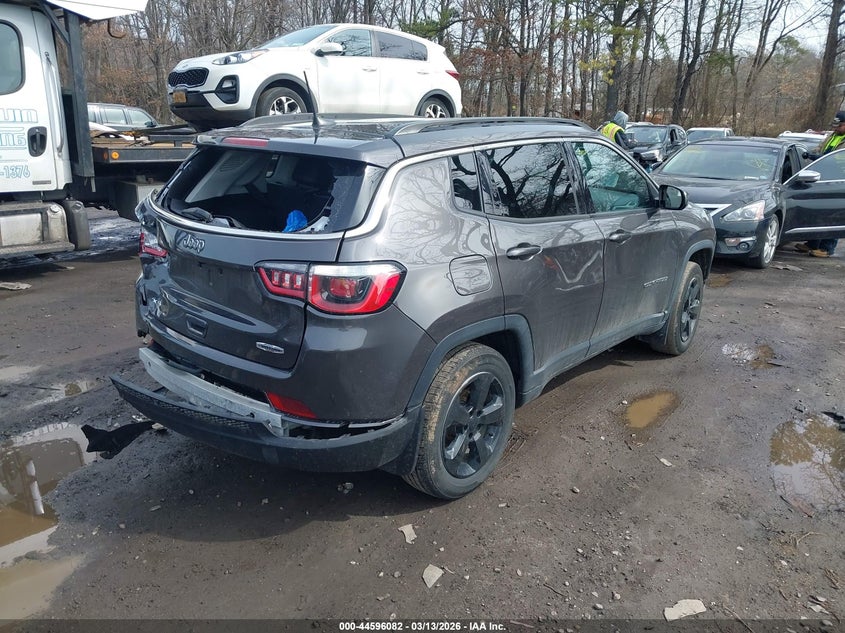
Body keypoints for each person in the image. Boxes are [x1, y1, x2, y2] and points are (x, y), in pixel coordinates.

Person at [795, 111, 845, 258]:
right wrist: (811, 153)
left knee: (832, 213)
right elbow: (821, 148)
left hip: (839, 179)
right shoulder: (834, 136)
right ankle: (812, 243)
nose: (836, 128)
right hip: (823, 176)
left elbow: (838, 158)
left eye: (840, 126)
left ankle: (827, 248)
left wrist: (820, 158)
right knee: (817, 211)